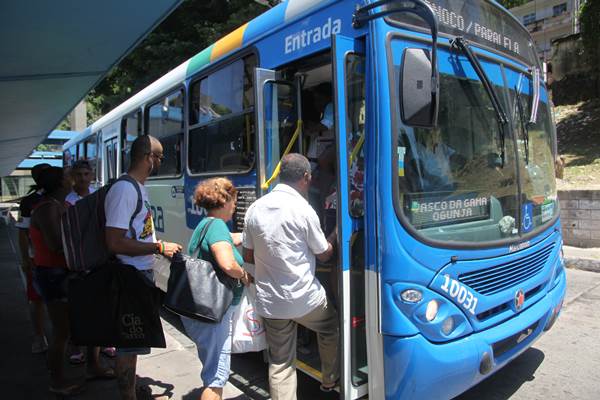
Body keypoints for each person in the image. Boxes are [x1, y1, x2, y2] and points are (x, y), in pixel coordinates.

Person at [243, 153, 339, 400]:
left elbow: (249, 255)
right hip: (306, 300)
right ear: (306, 178)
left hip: (271, 302)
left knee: (281, 362)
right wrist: (334, 236)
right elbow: (324, 255)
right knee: (330, 327)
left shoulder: (255, 209)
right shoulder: (304, 210)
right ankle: (329, 379)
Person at [104, 135, 182, 400]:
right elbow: (115, 242)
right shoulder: (125, 190)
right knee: (128, 343)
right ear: (148, 157)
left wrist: (157, 245)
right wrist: (157, 248)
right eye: (159, 157)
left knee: (134, 341)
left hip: (139, 275)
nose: (160, 162)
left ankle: (131, 391)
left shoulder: (137, 188)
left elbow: (137, 233)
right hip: (129, 278)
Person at [181, 177, 252, 400]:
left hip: (200, 311)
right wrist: (244, 276)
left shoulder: (206, 224)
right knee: (217, 377)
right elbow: (228, 264)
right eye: (233, 201)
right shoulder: (218, 226)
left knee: (213, 371)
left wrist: (252, 235)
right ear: (224, 200)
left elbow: (229, 240)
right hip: (213, 314)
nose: (234, 206)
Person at [29, 167, 85, 395]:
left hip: (61, 273)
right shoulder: (48, 209)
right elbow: (55, 244)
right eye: (68, 178)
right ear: (60, 183)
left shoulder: (57, 206)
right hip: (53, 274)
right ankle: (57, 381)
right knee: (61, 331)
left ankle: (59, 375)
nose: (72, 181)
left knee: (65, 329)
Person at [65, 159, 117, 364]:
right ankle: (77, 347)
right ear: (72, 177)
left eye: (86, 174)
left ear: (92, 176)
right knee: (81, 305)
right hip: (80, 256)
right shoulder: (69, 200)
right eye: (79, 175)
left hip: (99, 253)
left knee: (102, 303)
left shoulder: (98, 195)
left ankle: (104, 343)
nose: (83, 178)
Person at [15, 162, 50, 354]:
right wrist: (25, 259)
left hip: (54, 259)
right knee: (37, 300)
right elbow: (22, 232)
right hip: (36, 258)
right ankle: (39, 336)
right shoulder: (29, 202)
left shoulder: (61, 197)